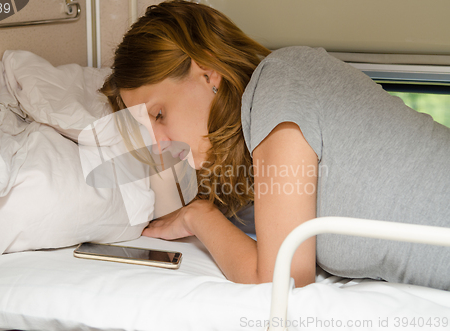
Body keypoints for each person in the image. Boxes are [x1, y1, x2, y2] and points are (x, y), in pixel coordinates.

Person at [100, 0, 450, 290]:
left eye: (159, 114)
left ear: (207, 71)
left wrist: (197, 217)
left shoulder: (280, 83)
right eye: (145, 131)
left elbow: (281, 279)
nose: (158, 144)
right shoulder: (253, 153)